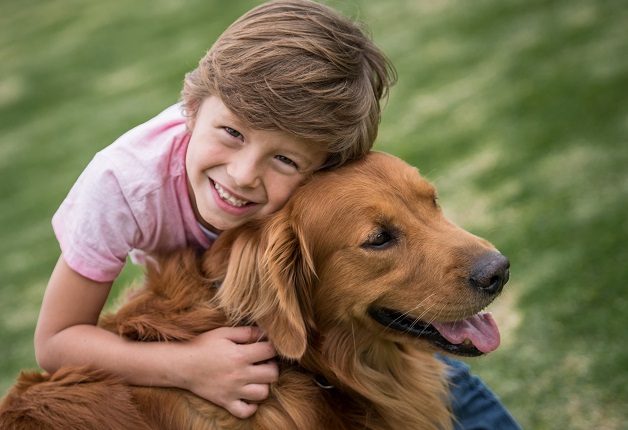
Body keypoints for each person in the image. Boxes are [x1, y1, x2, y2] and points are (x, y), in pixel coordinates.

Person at [34, 0, 520, 428]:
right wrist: (187, 365)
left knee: (429, 361)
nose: (244, 174)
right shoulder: (123, 184)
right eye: (231, 132)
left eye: (285, 159)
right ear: (191, 106)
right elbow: (55, 342)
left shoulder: (313, 184)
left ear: (322, 164)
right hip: (212, 314)